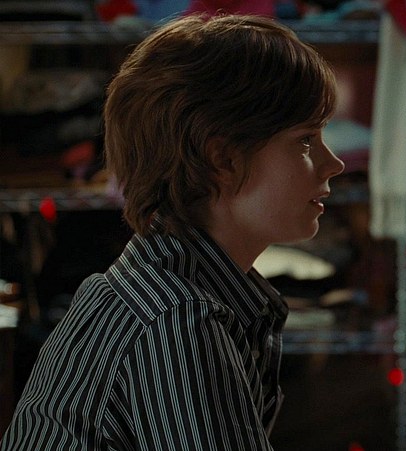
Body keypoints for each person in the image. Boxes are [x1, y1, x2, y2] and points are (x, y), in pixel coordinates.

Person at [1, 14, 344, 450]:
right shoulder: (178, 321)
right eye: (306, 141)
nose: (335, 164)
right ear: (222, 159)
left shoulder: (154, 288)